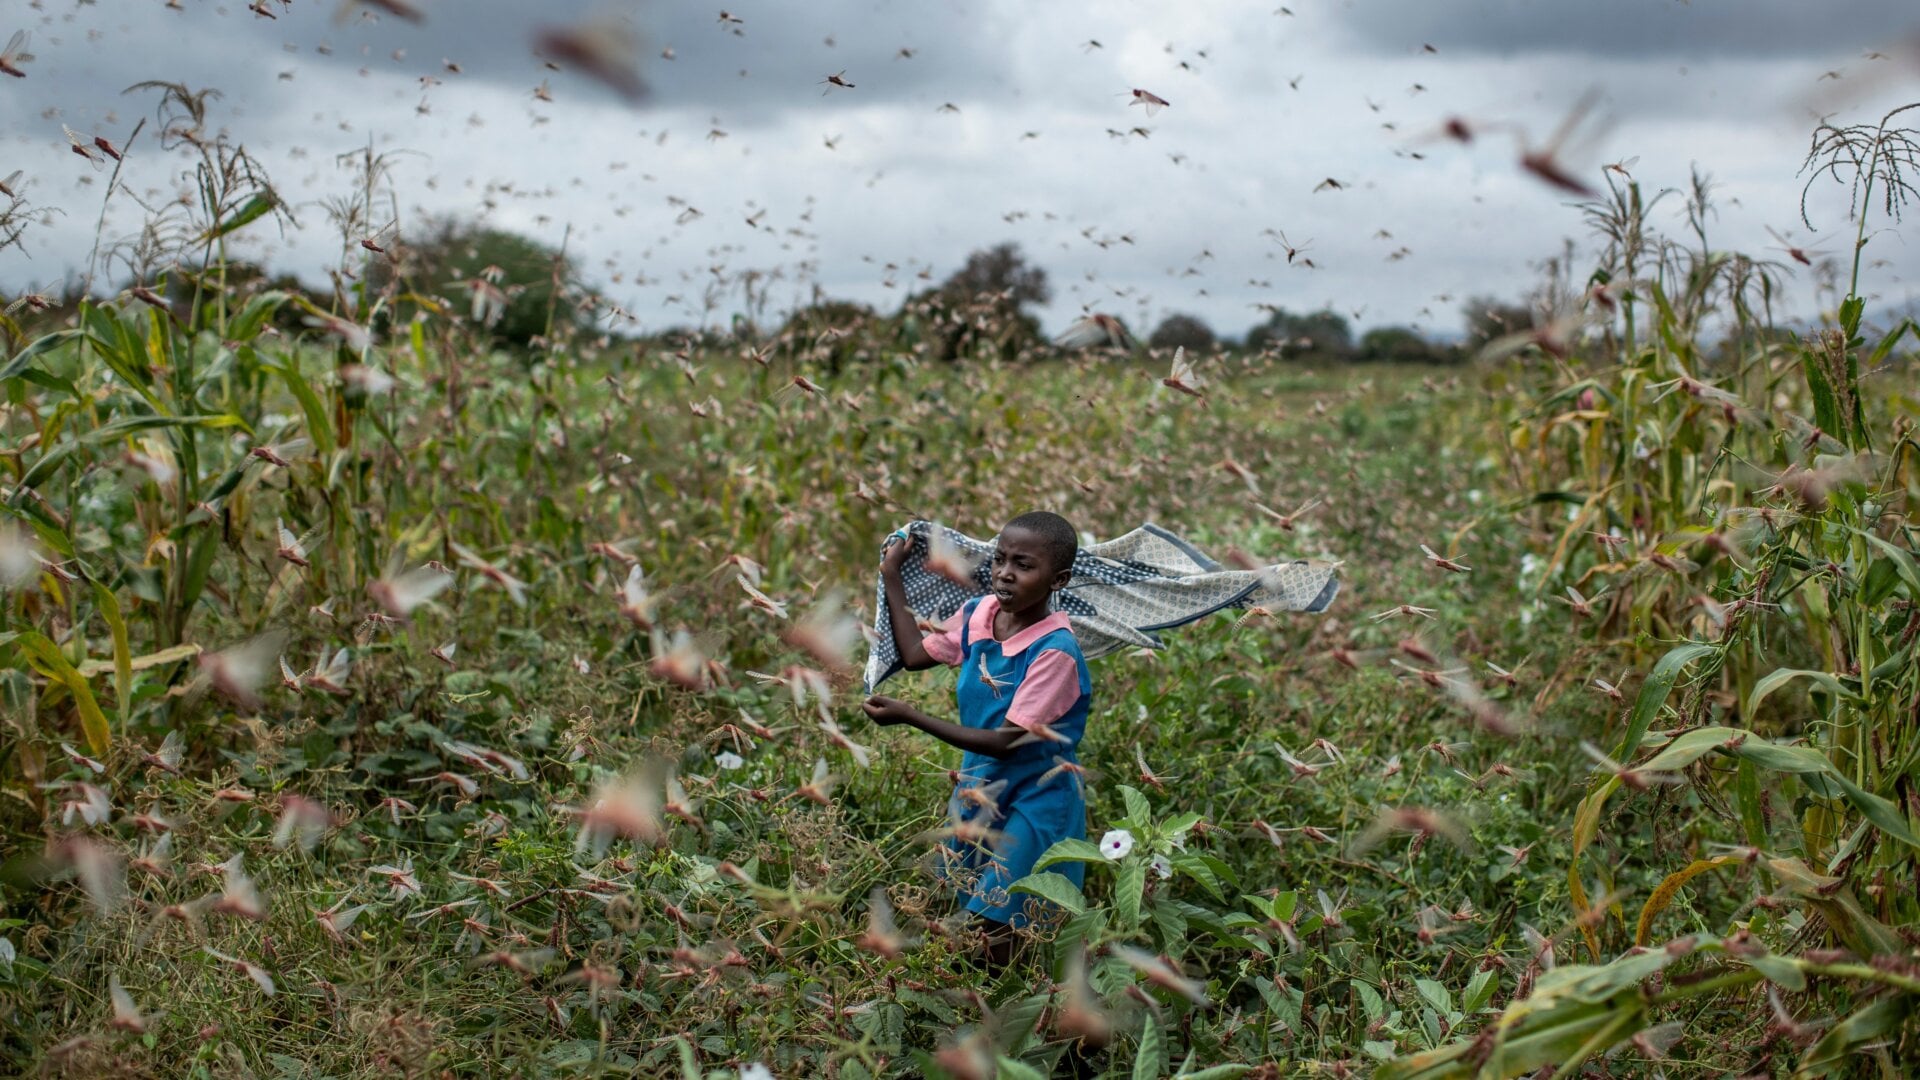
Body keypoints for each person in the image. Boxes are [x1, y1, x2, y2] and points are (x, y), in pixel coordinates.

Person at [861, 510, 1091, 968]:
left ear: (1058, 580)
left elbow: (1006, 741)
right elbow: (912, 654)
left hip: (1036, 799)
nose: (1005, 573)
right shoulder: (980, 614)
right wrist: (892, 576)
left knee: (1000, 927)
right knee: (957, 904)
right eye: (1000, 559)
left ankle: (1012, 1017)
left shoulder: (1056, 652)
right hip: (979, 789)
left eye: (1024, 566)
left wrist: (912, 716)